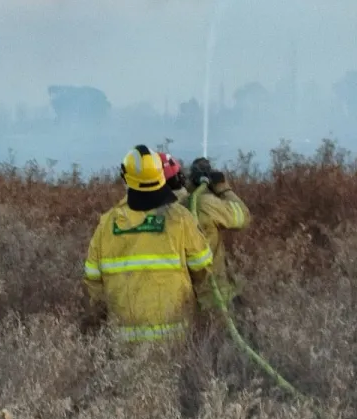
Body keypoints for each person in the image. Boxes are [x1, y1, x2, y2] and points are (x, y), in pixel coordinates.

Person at [83, 145, 214, 343]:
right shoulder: (180, 219)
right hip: (174, 341)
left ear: (125, 179)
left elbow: (93, 281)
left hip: (121, 341)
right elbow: (203, 269)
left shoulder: (107, 224)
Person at [184, 157, 252, 309]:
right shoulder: (206, 204)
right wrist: (223, 188)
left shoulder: (175, 207)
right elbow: (243, 217)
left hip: (186, 296)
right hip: (214, 295)